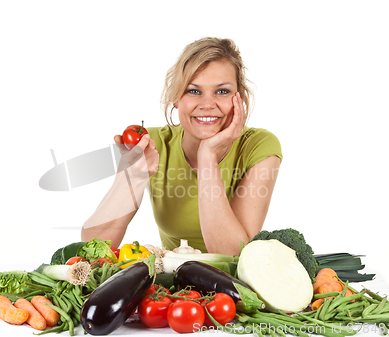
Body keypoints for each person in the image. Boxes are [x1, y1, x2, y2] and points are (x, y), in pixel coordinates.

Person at [81, 37, 282, 255]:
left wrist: (208, 156)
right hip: (174, 285)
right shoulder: (153, 144)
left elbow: (234, 254)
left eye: (222, 91)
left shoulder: (259, 147)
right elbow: (93, 246)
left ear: (238, 97)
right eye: (193, 91)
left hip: (231, 286)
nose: (207, 104)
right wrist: (134, 177)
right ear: (176, 97)